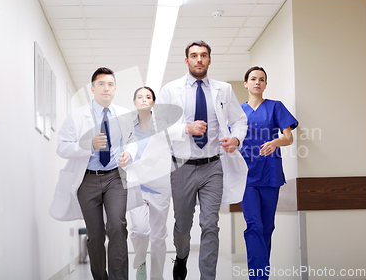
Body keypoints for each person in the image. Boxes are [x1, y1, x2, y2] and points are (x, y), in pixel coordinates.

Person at [154, 40, 248, 280]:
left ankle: (208, 277)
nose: (199, 59)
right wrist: (186, 128)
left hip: (213, 166)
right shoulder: (170, 89)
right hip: (182, 166)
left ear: (209, 59)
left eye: (203, 55)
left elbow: (239, 120)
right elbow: (159, 126)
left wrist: (236, 139)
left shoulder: (223, 89)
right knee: (182, 227)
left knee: (210, 224)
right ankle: (182, 257)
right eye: (194, 55)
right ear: (186, 60)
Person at [49, 67, 138, 280]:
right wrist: (88, 145)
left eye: (109, 84)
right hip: (87, 180)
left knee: (117, 226)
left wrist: (129, 154)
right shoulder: (77, 116)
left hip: (115, 178)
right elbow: (62, 147)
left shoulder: (125, 115)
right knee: (95, 236)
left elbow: (134, 141)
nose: (105, 88)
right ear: (92, 89)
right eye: (101, 84)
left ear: (115, 89)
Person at [239, 66, 298, 280]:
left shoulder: (275, 107)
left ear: (265, 84)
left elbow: (289, 138)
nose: (257, 82)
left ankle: (261, 274)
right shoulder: (237, 112)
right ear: (246, 83)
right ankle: (258, 277)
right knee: (253, 225)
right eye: (253, 79)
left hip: (269, 173)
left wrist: (275, 142)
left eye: (261, 79)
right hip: (245, 175)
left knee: (266, 227)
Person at [128, 86, 171, 280]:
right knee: (139, 230)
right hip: (136, 185)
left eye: (148, 97)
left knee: (158, 237)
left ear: (153, 102)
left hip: (160, 186)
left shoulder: (163, 125)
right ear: (135, 102)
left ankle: (156, 276)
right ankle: (141, 262)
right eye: (140, 97)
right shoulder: (127, 127)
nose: (144, 99)